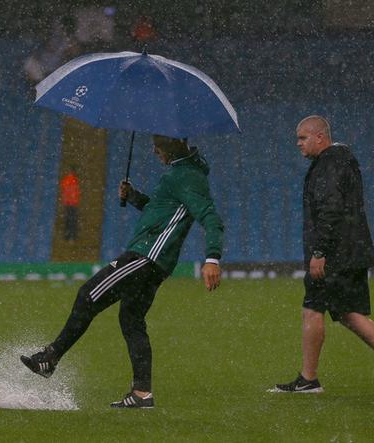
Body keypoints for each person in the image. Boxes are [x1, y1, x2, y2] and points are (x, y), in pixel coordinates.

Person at [21, 135, 224, 408]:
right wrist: (135, 198)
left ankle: (51, 356)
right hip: (153, 259)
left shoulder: (186, 175)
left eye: (157, 147)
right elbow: (163, 211)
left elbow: (210, 216)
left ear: (173, 146)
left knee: (87, 295)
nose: (154, 151)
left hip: (147, 256)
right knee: (131, 321)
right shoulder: (183, 173)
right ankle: (142, 394)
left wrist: (212, 258)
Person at [270, 115, 374, 394]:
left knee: (312, 309)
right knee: (349, 312)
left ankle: (309, 379)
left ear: (320, 137)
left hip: (336, 254)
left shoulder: (328, 164)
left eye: (302, 138)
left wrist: (319, 251)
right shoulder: (341, 161)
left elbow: (331, 209)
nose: (298, 144)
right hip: (352, 251)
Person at [59, 168, 81, 241]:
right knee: (73, 220)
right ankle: (73, 236)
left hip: (67, 203)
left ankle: (67, 236)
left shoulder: (65, 180)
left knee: (67, 220)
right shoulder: (75, 180)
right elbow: (77, 192)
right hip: (73, 203)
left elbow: (63, 190)